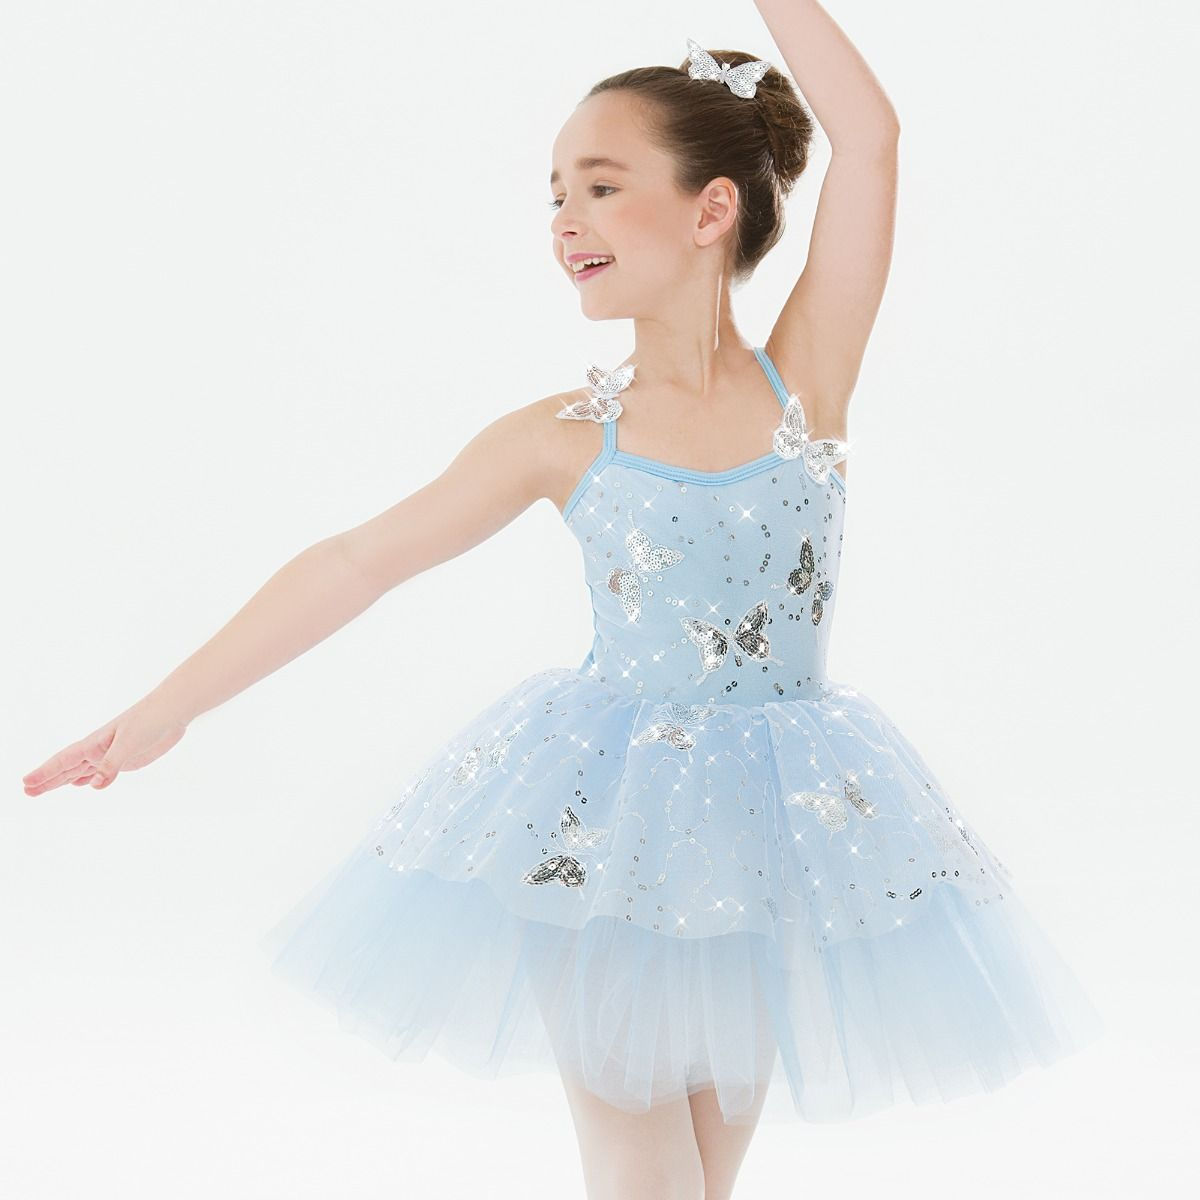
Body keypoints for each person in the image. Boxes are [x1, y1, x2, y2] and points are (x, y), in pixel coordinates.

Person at [22, 11, 1104, 1200]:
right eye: (555, 195)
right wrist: (167, 709)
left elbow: (873, 139)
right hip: (603, 834)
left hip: (767, 846)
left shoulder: (808, 382)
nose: (564, 221)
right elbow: (358, 560)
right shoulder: (562, 438)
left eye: (599, 185)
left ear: (713, 208)